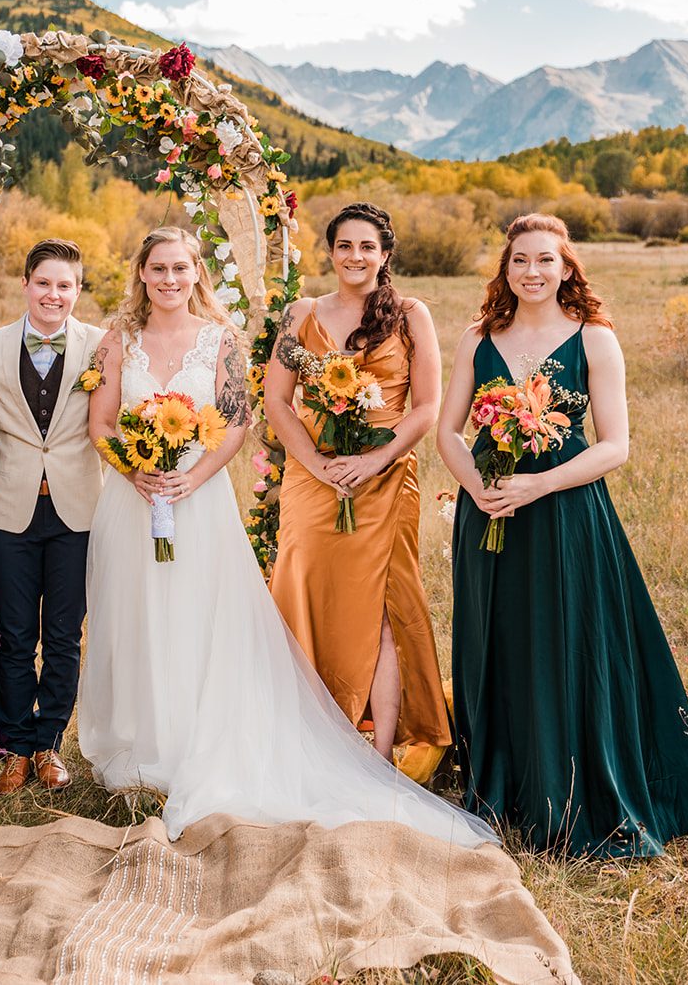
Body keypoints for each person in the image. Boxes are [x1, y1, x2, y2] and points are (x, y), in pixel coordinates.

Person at [77, 227, 496, 847]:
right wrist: (134, 465)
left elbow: (237, 421)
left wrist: (190, 476)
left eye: (180, 268)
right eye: (157, 269)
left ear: (198, 274)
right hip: (137, 499)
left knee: (205, 614)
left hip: (211, 496)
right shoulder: (116, 343)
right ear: (140, 273)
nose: (168, 279)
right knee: (134, 613)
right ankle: (141, 741)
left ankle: (256, 737)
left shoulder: (224, 340)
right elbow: (102, 422)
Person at [435, 213, 688, 857]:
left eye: (545, 261)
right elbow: (449, 429)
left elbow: (615, 447)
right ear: (505, 269)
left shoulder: (595, 340)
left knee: (563, 637)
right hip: (491, 507)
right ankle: (501, 783)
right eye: (519, 261)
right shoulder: (478, 337)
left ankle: (569, 783)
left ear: (566, 267)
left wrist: (540, 484)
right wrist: (477, 486)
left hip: (564, 511)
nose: (532, 272)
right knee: (496, 637)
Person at [265, 203, 451, 774]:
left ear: (385, 254)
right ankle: (305, 734)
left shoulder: (411, 315)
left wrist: (377, 458)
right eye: (345, 246)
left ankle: (378, 753)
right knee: (306, 593)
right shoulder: (300, 314)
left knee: (385, 608)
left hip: (387, 480)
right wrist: (318, 465)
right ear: (330, 251)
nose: (355, 256)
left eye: (367, 246)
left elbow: (426, 407)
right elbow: (277, 401)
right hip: (311, 480)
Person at [0, 239, 104, 794]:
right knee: (17, 638)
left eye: (65, 285)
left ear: (78, 290)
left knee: (66, 637)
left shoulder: (101, 345)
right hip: (8, 510)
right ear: (25, 284)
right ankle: (16, 748)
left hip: (78, 512)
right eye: (43, 283)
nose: (54, 294)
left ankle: (50, 746)